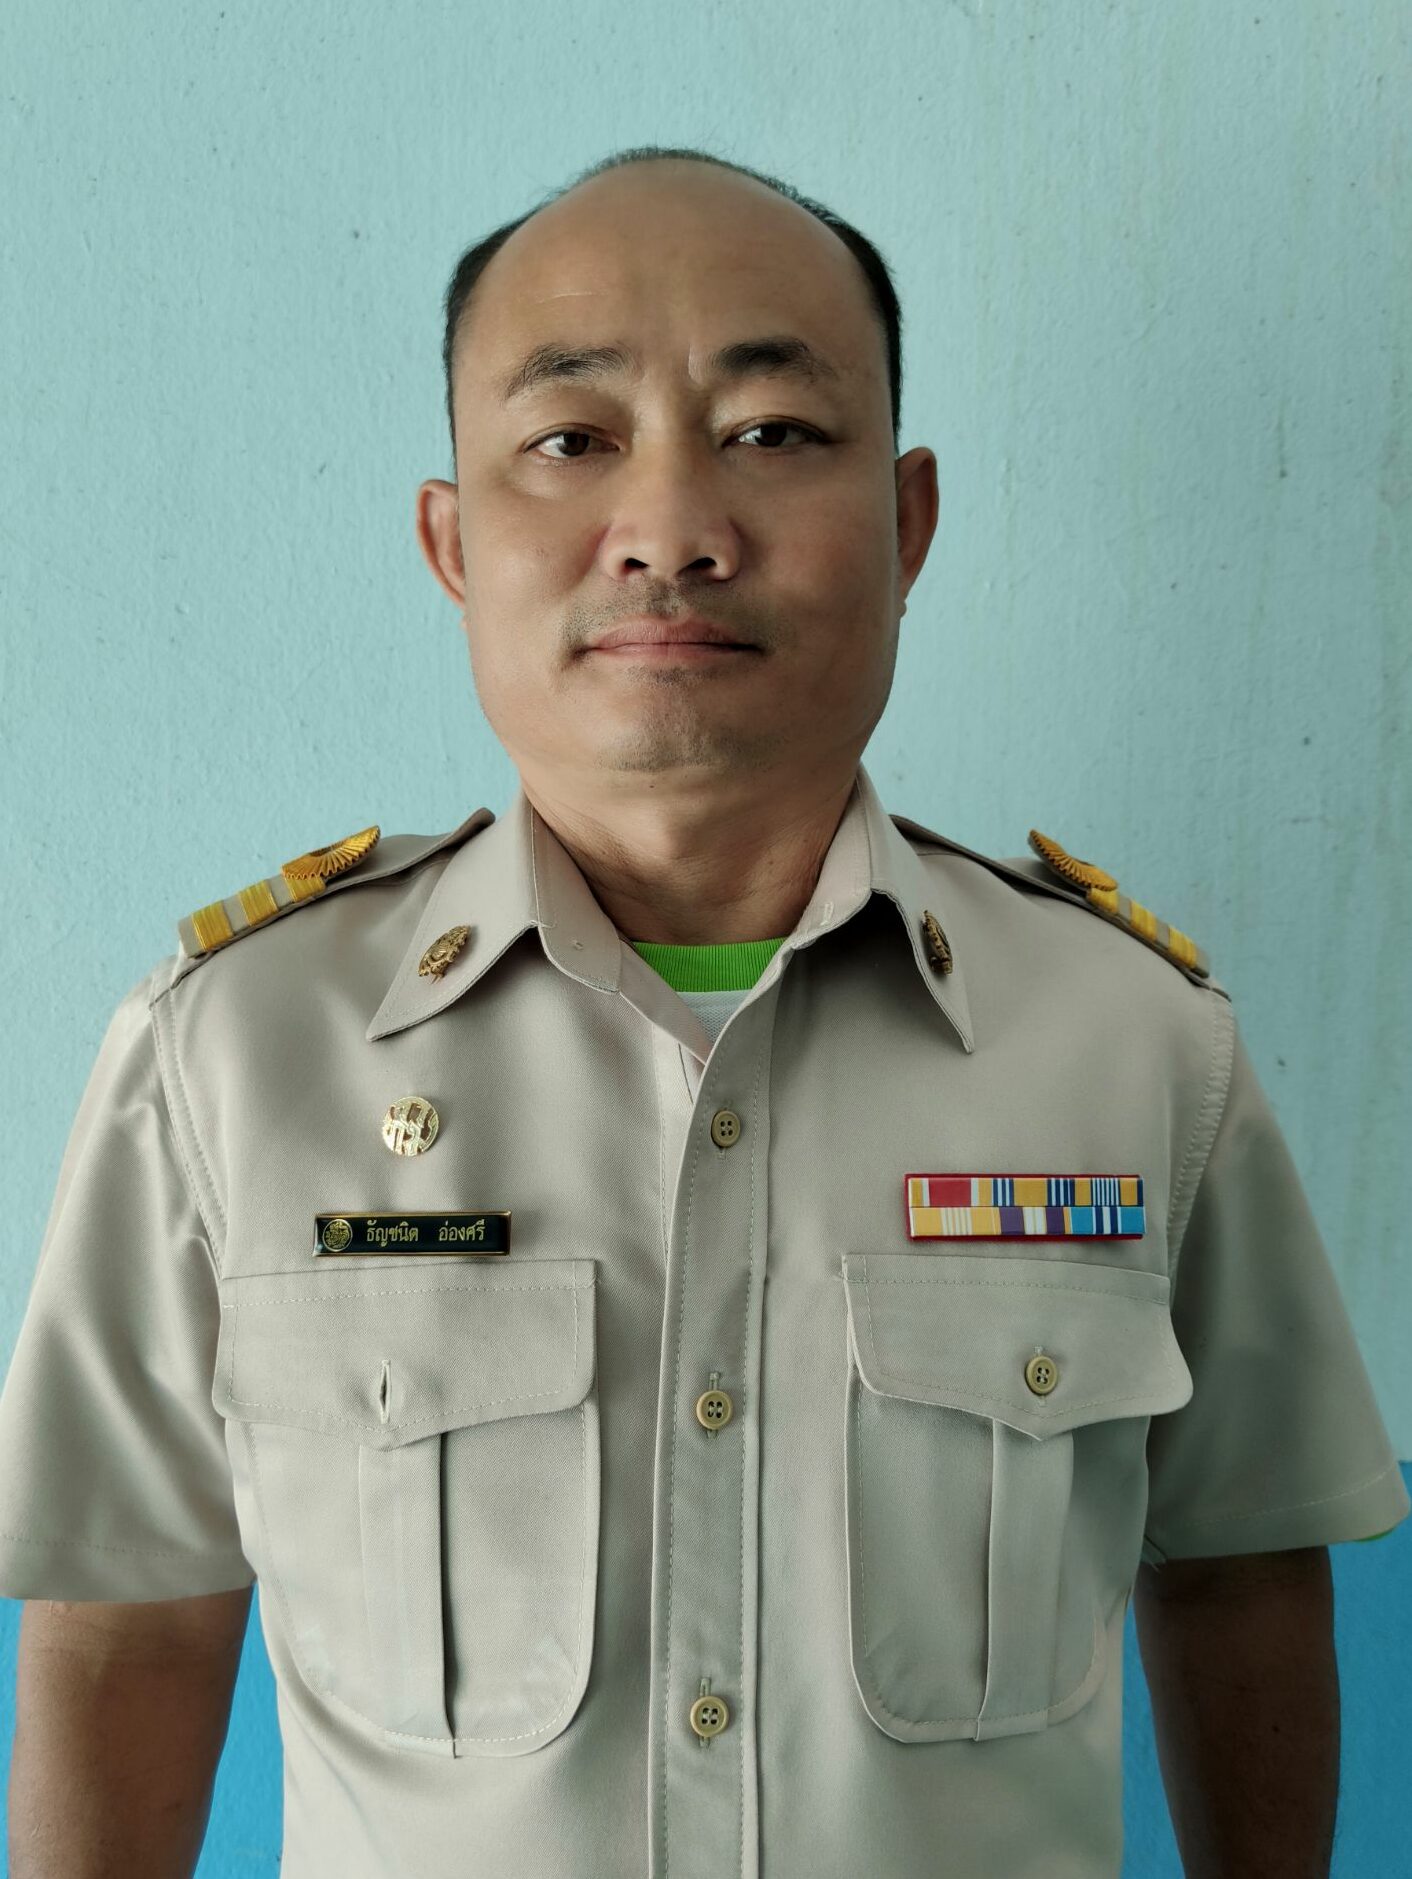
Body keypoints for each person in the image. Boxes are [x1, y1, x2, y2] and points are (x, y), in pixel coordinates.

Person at [1, 145, 1405, 1879]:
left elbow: (1244, 1577)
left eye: (773, 432)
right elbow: (128, 1631)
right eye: (571, 441)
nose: (671, 531)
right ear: (452, 541)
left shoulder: (1137, 1046)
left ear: (907, 524)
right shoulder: (228, 1054)